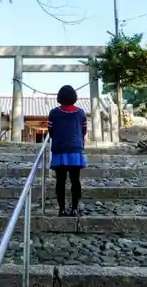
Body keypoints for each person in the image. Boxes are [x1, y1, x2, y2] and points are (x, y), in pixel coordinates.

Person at [47, 85, 87, 217]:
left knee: (60, 181)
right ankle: (74, 209)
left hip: (59, 150)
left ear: (59, 97)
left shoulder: (54, 113)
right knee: (75, 180)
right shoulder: (81, 113)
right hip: (75, 150)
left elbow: (51, 132)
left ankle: (62, 209)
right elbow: (83, 131)